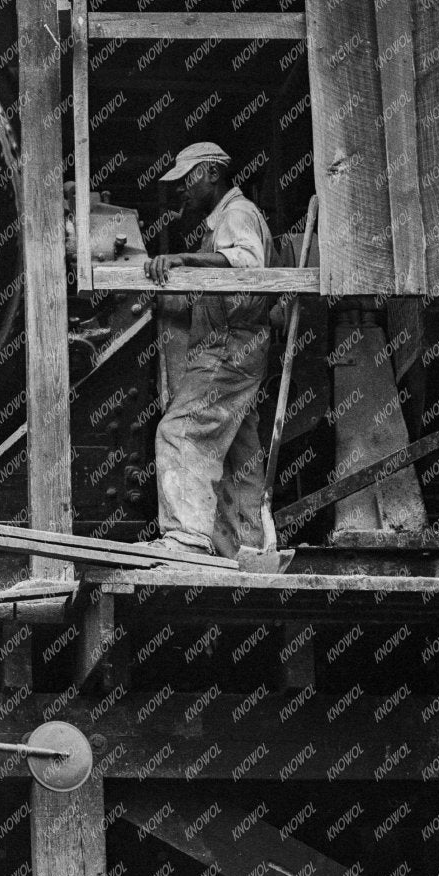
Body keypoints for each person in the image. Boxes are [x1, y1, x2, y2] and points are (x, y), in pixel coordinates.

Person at [145, 142, 272, 563]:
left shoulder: (236, 214)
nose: (181, 189)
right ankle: (249, 550)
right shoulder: (223, 220)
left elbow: (249, 264)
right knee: (238, 453)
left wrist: (182, 259)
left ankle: (185, 539)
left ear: (213, 174)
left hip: (230, 346)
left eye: (188, 179)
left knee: (180, 430)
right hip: (237, 346)